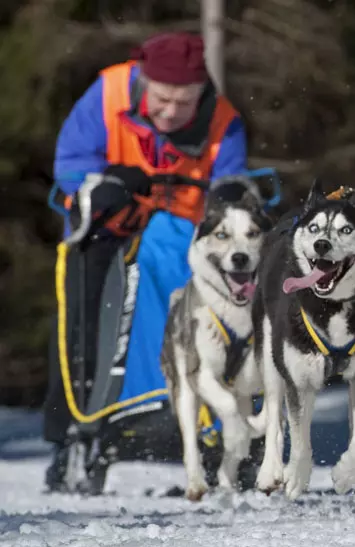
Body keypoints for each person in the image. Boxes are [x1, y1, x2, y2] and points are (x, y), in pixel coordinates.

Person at [43, 31, 248, 492]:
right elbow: (72, 162)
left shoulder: (224, 120)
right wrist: (103, 184)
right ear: (144, 81)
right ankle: (81, 426)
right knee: (80, 316)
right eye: (162, 99)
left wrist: (232, 194)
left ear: (203, 93)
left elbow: (231, 185)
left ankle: (214, 421)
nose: (171, 112)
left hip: (187, 240)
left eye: (184, 102)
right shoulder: (108, 92)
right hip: (106, 233)